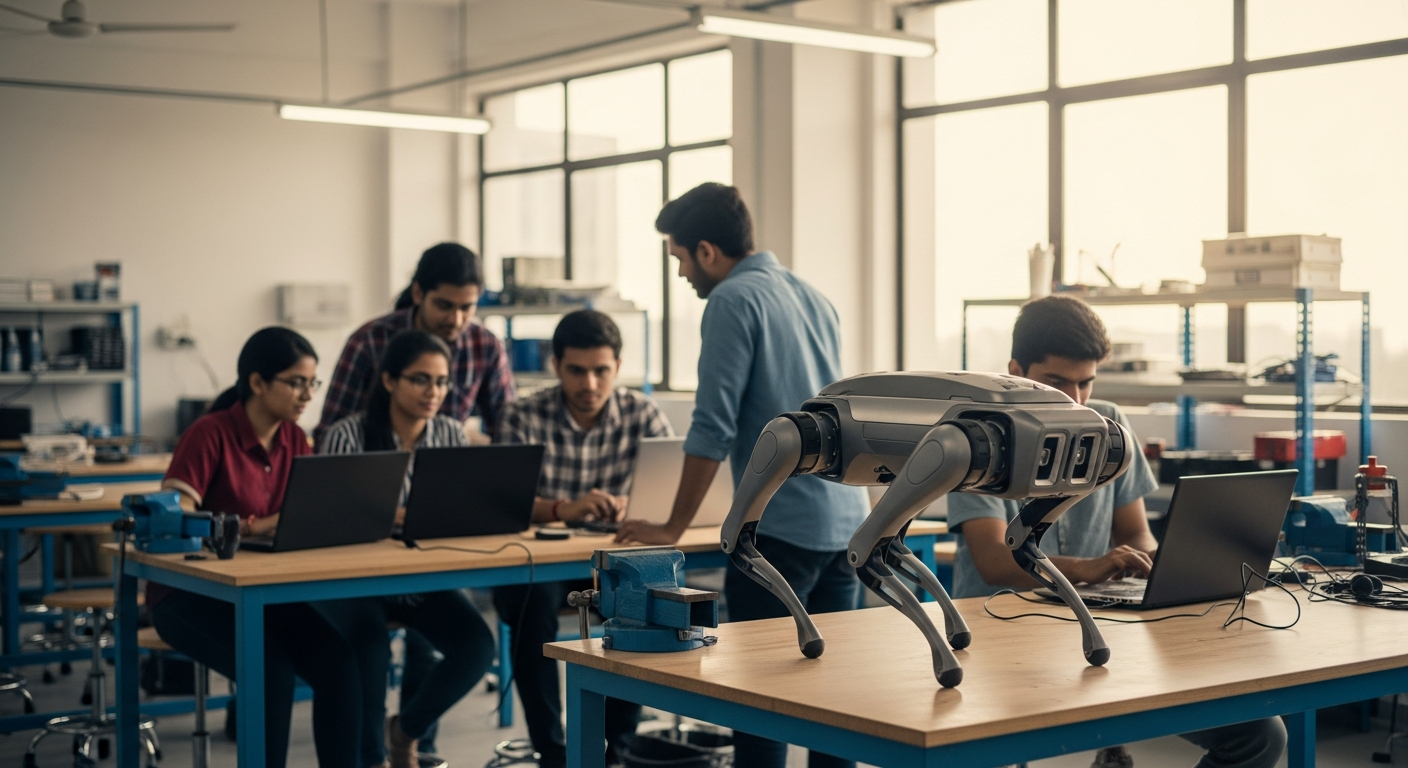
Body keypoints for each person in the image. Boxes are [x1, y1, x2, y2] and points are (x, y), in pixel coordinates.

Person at [947, 295, 1287, 768]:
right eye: (1056, 382)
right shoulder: (978, 437)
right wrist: (1085, 570)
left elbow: (1137, 534)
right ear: (1016, 370)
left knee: (1259, 734)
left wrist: (1155, 563)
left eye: (1086, 382)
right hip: (998, 638)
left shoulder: (1110, 426)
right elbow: (993, 561)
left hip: (1092, 631)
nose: (1076, 399)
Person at [614, 183, 870, 768]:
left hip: (778, 532)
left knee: (762, 706)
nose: (682, 274)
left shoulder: (731, 300)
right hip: (843, 524)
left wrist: (673, 527)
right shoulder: (813, 296)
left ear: (707, 251)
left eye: (680, 258)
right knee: (836, 706)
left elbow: (713, 426)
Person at [151, 327, 362, 768]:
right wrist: (256, 526)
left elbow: (302, 513)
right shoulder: (209, 433)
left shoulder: (294, 438)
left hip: (261, 592)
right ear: (257, 383)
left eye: (312, 383)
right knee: (270, 673)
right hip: (189, 596)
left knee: (341, 662)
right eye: (296, 383)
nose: (308, 395)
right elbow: (177, 517)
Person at [493, 310, 672, 768]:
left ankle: (615, 750)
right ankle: (553, 754)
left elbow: (669, 493)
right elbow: (503, 503)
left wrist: (634, 505)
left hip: (616, 560)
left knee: (645, 607)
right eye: (576, 370)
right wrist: (563, 508)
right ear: (555, 365)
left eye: (601, 370)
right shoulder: (520, 416)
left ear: (618, 366)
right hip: (542, 562)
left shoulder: (643, 414)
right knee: (531, 610)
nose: (589, 383)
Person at [319, 329, 497, 768]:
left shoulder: (450, 434)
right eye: (420, 379)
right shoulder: (348, 435)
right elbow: (329, 521)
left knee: (477, 646)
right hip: (355, 583)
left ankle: (405, 732)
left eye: (441, 382)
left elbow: (458, 511)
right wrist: (392, 518)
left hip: (422, 579)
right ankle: (372, 759)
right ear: (389, 381)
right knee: (370, 652)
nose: (433, 392)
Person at [315, 242, 514, 446]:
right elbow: (331, 434)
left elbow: (509, 432)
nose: (456, 319)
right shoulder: (370, 341)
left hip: (448, 463)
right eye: (444, 305)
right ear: (418, 293)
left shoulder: (485, 346)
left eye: (466, 308)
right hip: (374, 461)